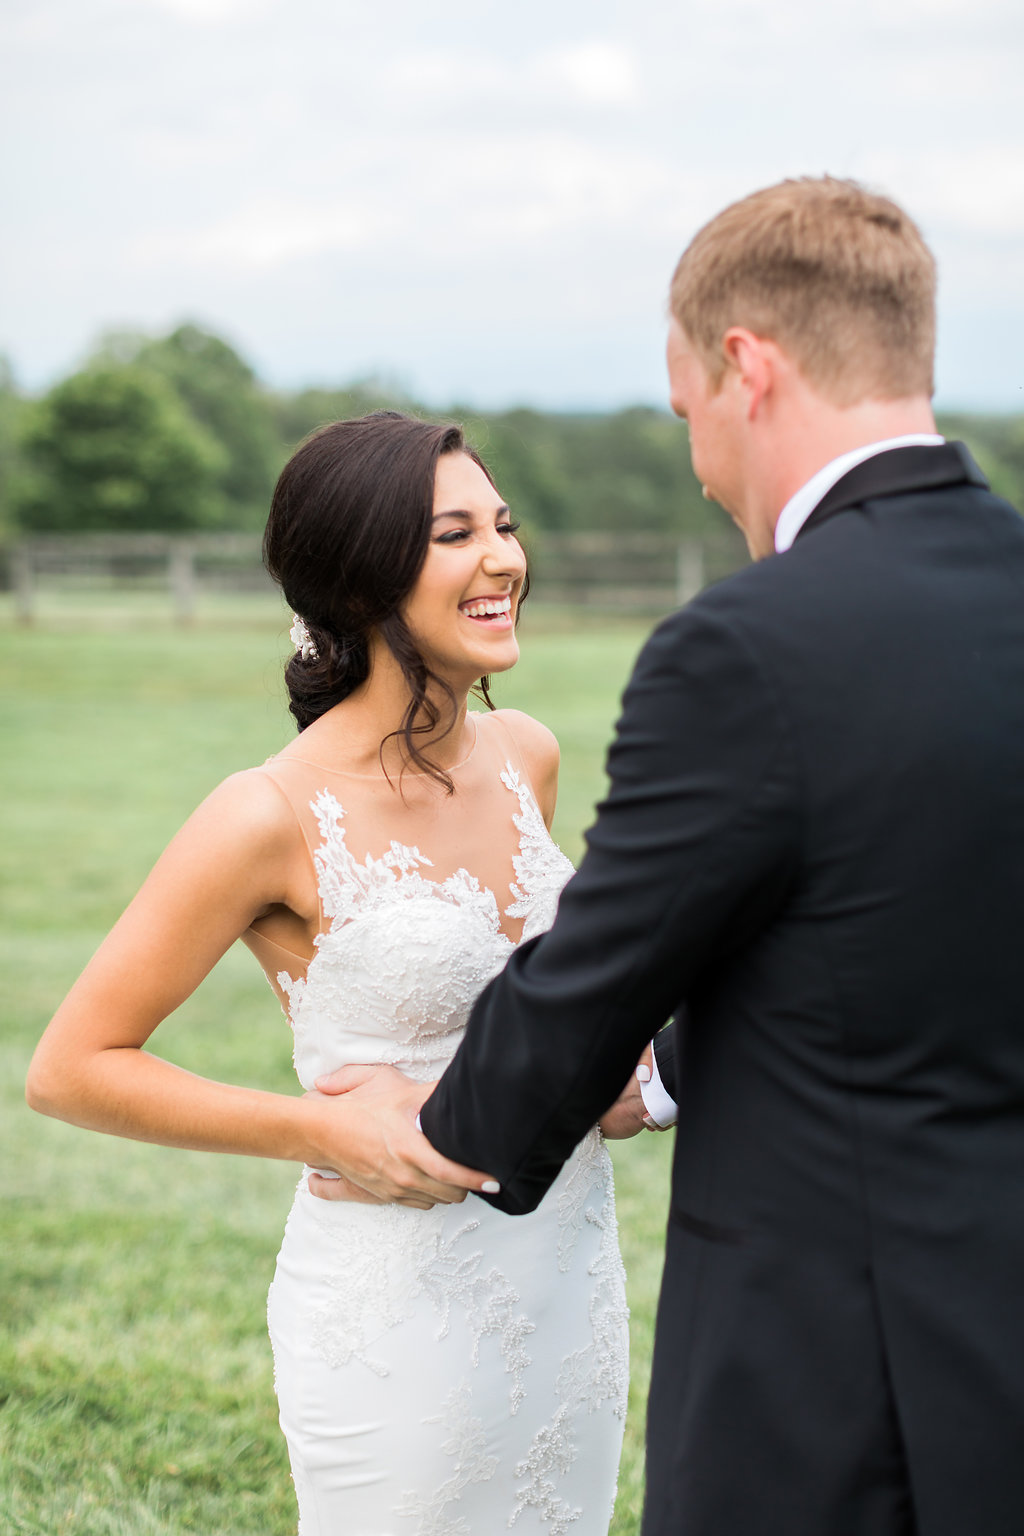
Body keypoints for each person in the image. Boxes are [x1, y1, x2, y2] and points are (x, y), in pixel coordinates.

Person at [313, 179, 1024, 1534]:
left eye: (689, 410)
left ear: (744, 369)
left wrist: (439, 1127)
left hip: (838, 1382)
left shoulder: (746, 645)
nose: (698, 459)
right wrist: (664, 1079)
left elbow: (601, 967)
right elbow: (893, 934)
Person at [26, 412, 629, 1534]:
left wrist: (614, 1070)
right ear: (359, 577)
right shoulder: (267, 811)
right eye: (454, 535)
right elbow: (70, 1069)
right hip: (396, 1313)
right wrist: (320, 1129)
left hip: (566, 1277)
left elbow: (532, 1003)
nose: (503, 558)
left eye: (502, 526)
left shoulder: (526, 757)